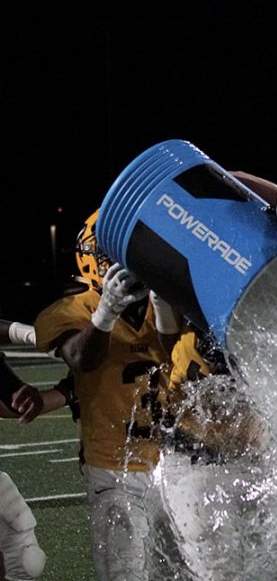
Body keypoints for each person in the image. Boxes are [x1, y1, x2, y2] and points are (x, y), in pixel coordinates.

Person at [32, 209, 182, 581]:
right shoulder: (73, 309)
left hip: (175, 464)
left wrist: (164, 302)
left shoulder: (163, 303)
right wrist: (106, 312)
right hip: (115, 469)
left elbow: (179, 355)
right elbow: (82, 358)